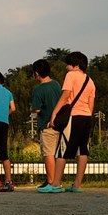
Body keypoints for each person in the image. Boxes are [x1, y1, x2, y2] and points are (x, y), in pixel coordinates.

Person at [39, 51, 96, 194]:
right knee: (82, 150)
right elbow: (91, 103)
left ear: (76, 65)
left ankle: (56, 183)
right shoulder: (90, 81)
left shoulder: (71, 76)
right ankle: (77, 184)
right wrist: (87, 115)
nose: (66, 67)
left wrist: (55, 112)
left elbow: (65, 95)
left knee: (62, 150)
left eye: (68, 64)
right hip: (86, 117)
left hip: (73, 116)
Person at [30, 59, 62, 189]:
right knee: (57, 155)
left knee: (48, 154)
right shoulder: (56, 84)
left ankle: (51, 181)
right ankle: (56, 180)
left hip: (46, 125)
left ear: (36, 73)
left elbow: (36, 109)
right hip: (60, 123)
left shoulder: (38, 90)